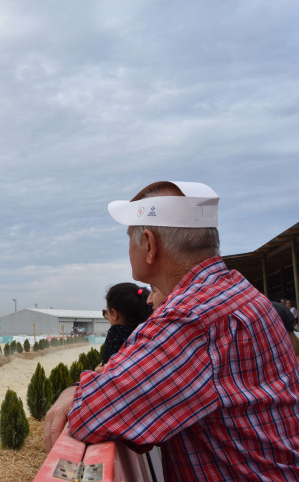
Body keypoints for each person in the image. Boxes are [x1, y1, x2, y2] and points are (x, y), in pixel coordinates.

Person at [43, 181, 299, 481]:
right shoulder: (236, 293)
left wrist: (73, 390)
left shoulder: (193, 318)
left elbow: (94, 413)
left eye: (130, 237)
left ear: (150, 245)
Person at [99, 283, 151, 366]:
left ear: (115, 314)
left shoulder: (116, 332)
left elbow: (107, 365)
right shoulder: (148, 331)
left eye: (107, 313)